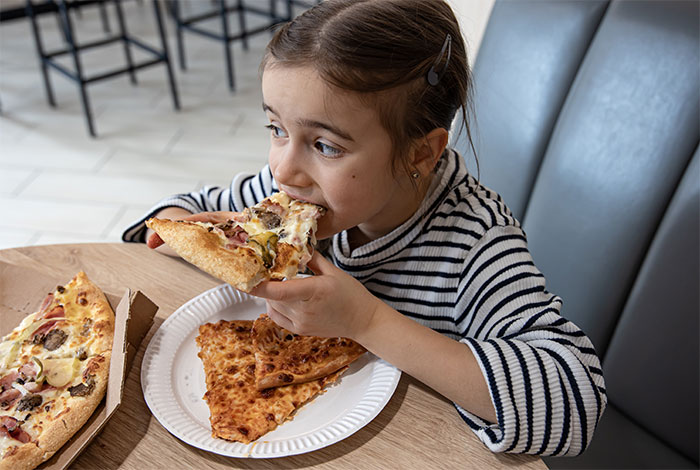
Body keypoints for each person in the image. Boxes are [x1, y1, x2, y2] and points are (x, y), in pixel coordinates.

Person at [123, 0, 606, 457]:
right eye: (277, 130)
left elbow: (574, 400)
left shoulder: (475, 244)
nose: (283, 171)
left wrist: (365, 321)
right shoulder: (289, 204)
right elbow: (167, 219)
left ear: (420, 153)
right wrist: (217, 241)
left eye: (325, 146)